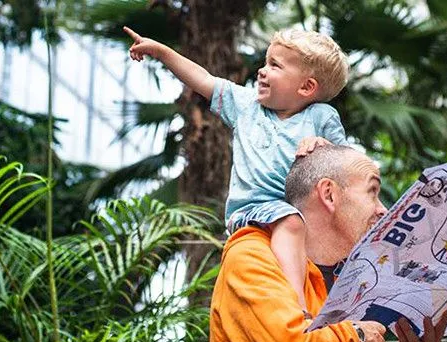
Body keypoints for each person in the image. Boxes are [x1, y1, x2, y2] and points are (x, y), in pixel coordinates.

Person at [123, 25, 349, 312]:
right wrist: (160, 51)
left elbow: (346, 164)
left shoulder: (322, 116)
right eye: (266, 62)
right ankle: (297, 308)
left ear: (306, 87)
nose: (262, 71)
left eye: (274, 66)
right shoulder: (247, 106)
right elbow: (202, 78)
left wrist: (322, 145)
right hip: (252, 211)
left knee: (315, 236)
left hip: (300, 217)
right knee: (290, 222)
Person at [209, 145, 447, 342]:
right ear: (329, 194)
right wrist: (359, 336)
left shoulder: (350, 281)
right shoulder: (252, 254)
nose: (382, 210)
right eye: (372, 191)